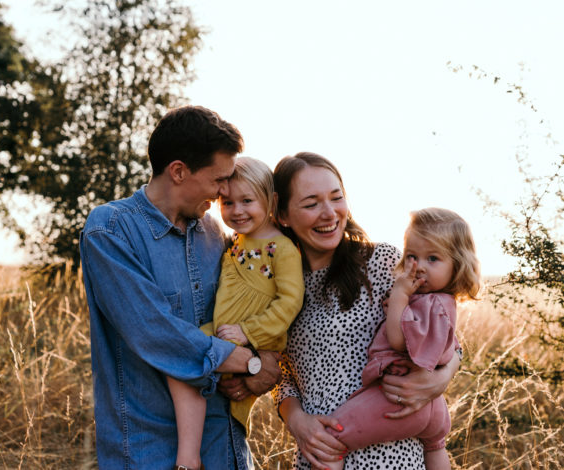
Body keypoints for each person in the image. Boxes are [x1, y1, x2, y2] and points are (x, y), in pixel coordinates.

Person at [80, 106, 280, 470]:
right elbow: (154, 331)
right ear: (178, 171)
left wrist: (266, 358)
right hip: (149, 449)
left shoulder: (214, 234)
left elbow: (248, 304)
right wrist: (249, 362)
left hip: (225, 445)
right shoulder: (110, 230)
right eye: (218, 180)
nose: (223, 192)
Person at [270, 152, 462, 469]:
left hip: (391, 456)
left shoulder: (383, 263)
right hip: (320, 453)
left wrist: (442, 377)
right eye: (311, 203)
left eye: (336, 198)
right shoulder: (278, 285)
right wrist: (297, 421)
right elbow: (283, 375)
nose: (329, 213)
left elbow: (443, 329)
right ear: (283, 214)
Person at [167, 157, 305, 469]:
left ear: (270, 201)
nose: (237, 211)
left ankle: (192, 454)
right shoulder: (234, 242)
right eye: (227, 202)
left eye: (247, 201)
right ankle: (188, 453)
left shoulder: (281, 248)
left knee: (230, 429)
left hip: (251, 342)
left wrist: (249, 333)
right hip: (222, 336)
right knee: (179, 358)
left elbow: (290, 301)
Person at [321, 207, 481, 470]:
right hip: (433, 407)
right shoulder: (438, 302)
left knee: (331, 437)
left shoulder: (432, 305)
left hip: (402, 397)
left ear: (457, 265)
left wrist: (399, 296)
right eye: (411, 256)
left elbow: (398, 341)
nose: (418, 267)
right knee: (435, 445)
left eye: (433, 258)